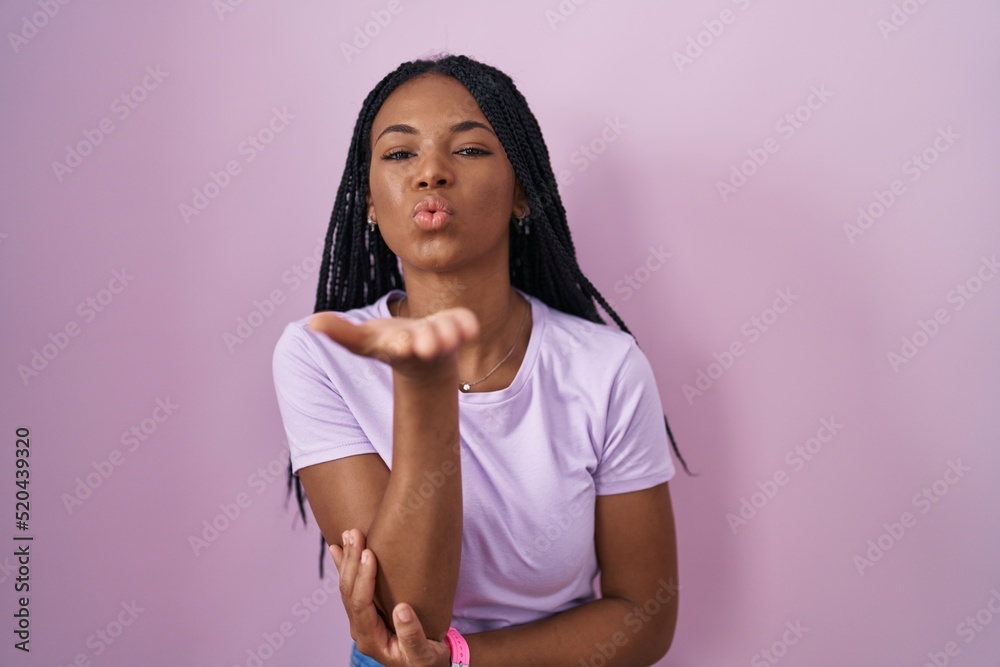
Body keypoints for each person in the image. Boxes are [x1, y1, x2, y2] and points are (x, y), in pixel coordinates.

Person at [271, 52, 692, 667]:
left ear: (521, 191)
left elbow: (644, 617)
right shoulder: (318, 354)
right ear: (367, 201)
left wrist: (463, 660)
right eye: (398, 154)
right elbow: (405, 615)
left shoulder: (608, 368)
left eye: (468, 150)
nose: (431, 173)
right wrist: (428, 383)